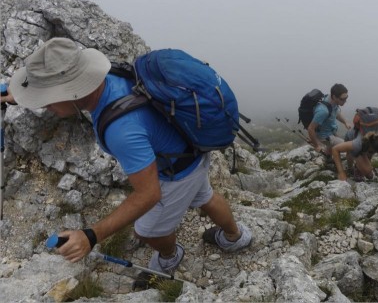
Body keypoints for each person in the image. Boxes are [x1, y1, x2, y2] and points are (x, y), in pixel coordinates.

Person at [2, 38, 251, 278]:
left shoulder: (122, 130)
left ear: (73, 92)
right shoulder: (113, 77)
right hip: (190, 151)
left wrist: (91, 235)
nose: (45, 107)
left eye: (46, 101)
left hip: (176, 175)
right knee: (205, 196)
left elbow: (149, 194)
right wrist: (21, 94)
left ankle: (170, 255)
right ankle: (236, 237)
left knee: (146, 231)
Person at [306, 83, 351, 156]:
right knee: (349, 147)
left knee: (332, 150)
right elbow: (311, 128)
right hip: (325, 136)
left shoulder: (331, 100)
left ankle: (328, 158)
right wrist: (317, 145)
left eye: (346, 98)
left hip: (331, 131)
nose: (345, 101)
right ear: (334, 96)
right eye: (342, 99)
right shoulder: (323, 111)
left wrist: (345, 122)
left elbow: (336, 113)